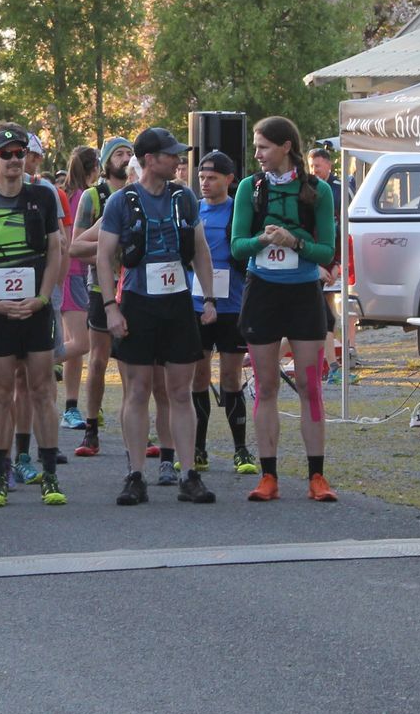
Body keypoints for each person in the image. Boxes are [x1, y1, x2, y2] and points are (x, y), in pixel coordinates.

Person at [95, 127, 220, 505]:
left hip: (178, 302)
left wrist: (209, 298)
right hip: (137, 301)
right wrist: (110, 308)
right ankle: (135, 474)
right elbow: (104, 256)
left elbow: (200, 250)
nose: (179, 160)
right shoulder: (121, 201)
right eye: (171, 155)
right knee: (137, 390)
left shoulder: (184, 198)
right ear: (149, 159)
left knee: (179, 390)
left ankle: (188, 474)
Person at [0, 125, 69, 506]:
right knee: (0, 392)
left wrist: (42, 299)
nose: (13, 160)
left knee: (41, 390)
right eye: (5, 154)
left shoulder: (42, 196)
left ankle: (50, 474)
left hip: (35, 308)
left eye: (19, 153)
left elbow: (56, 251)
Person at [232, 117, 339, 503]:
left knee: (311, 386)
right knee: (266, 385)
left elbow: (327, 252)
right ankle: (268, 476)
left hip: (303, 295)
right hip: (262, 292)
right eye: (257, 147)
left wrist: (294, 241)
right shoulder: (250, 188)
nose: (257, 154)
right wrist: (263, 238)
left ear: (285, 147)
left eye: (263, 147)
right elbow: (237, 246)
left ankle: (317, 476)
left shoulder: (318, 190)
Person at [190, 152, 258, 475]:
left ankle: (241, 450)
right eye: (202, 177)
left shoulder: (239, 211)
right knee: (198, 376)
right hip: (196, 305)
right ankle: (198, 448)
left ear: (229, 179)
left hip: (232, 305)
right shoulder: (192, 210)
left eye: (212, 177)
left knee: (231, 377)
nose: (205, 183)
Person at [70, 135, 133, 457]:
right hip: (100, 287)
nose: (125, 158)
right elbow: (76, 245)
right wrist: (109, 251)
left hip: (134, 289)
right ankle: (91, 427)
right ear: (106, 162)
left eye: (129, 153)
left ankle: (134, 429)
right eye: (119, 154)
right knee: (97, 361)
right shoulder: (94, 196)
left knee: (131, 363)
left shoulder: (141, 195)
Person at [58, 146, 100, 430]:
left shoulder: (74, 194)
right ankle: (32, 358)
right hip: (73, 275)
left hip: (78, 275)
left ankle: (71, 407)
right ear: (94, 169)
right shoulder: (80, 198)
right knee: (81, 344)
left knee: (74, 347)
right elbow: (72, 243)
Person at [309, 145, 357, 385]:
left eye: (318, 165)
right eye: (311, 166)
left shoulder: (339, 189)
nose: (314, 170)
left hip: (330, 261)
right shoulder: (307, 189)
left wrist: (338, 263)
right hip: (313, 263)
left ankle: (337, 362)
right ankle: (332, 367)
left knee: (329, 316)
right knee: (320, 320)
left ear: (328, 165)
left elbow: (343, 229)